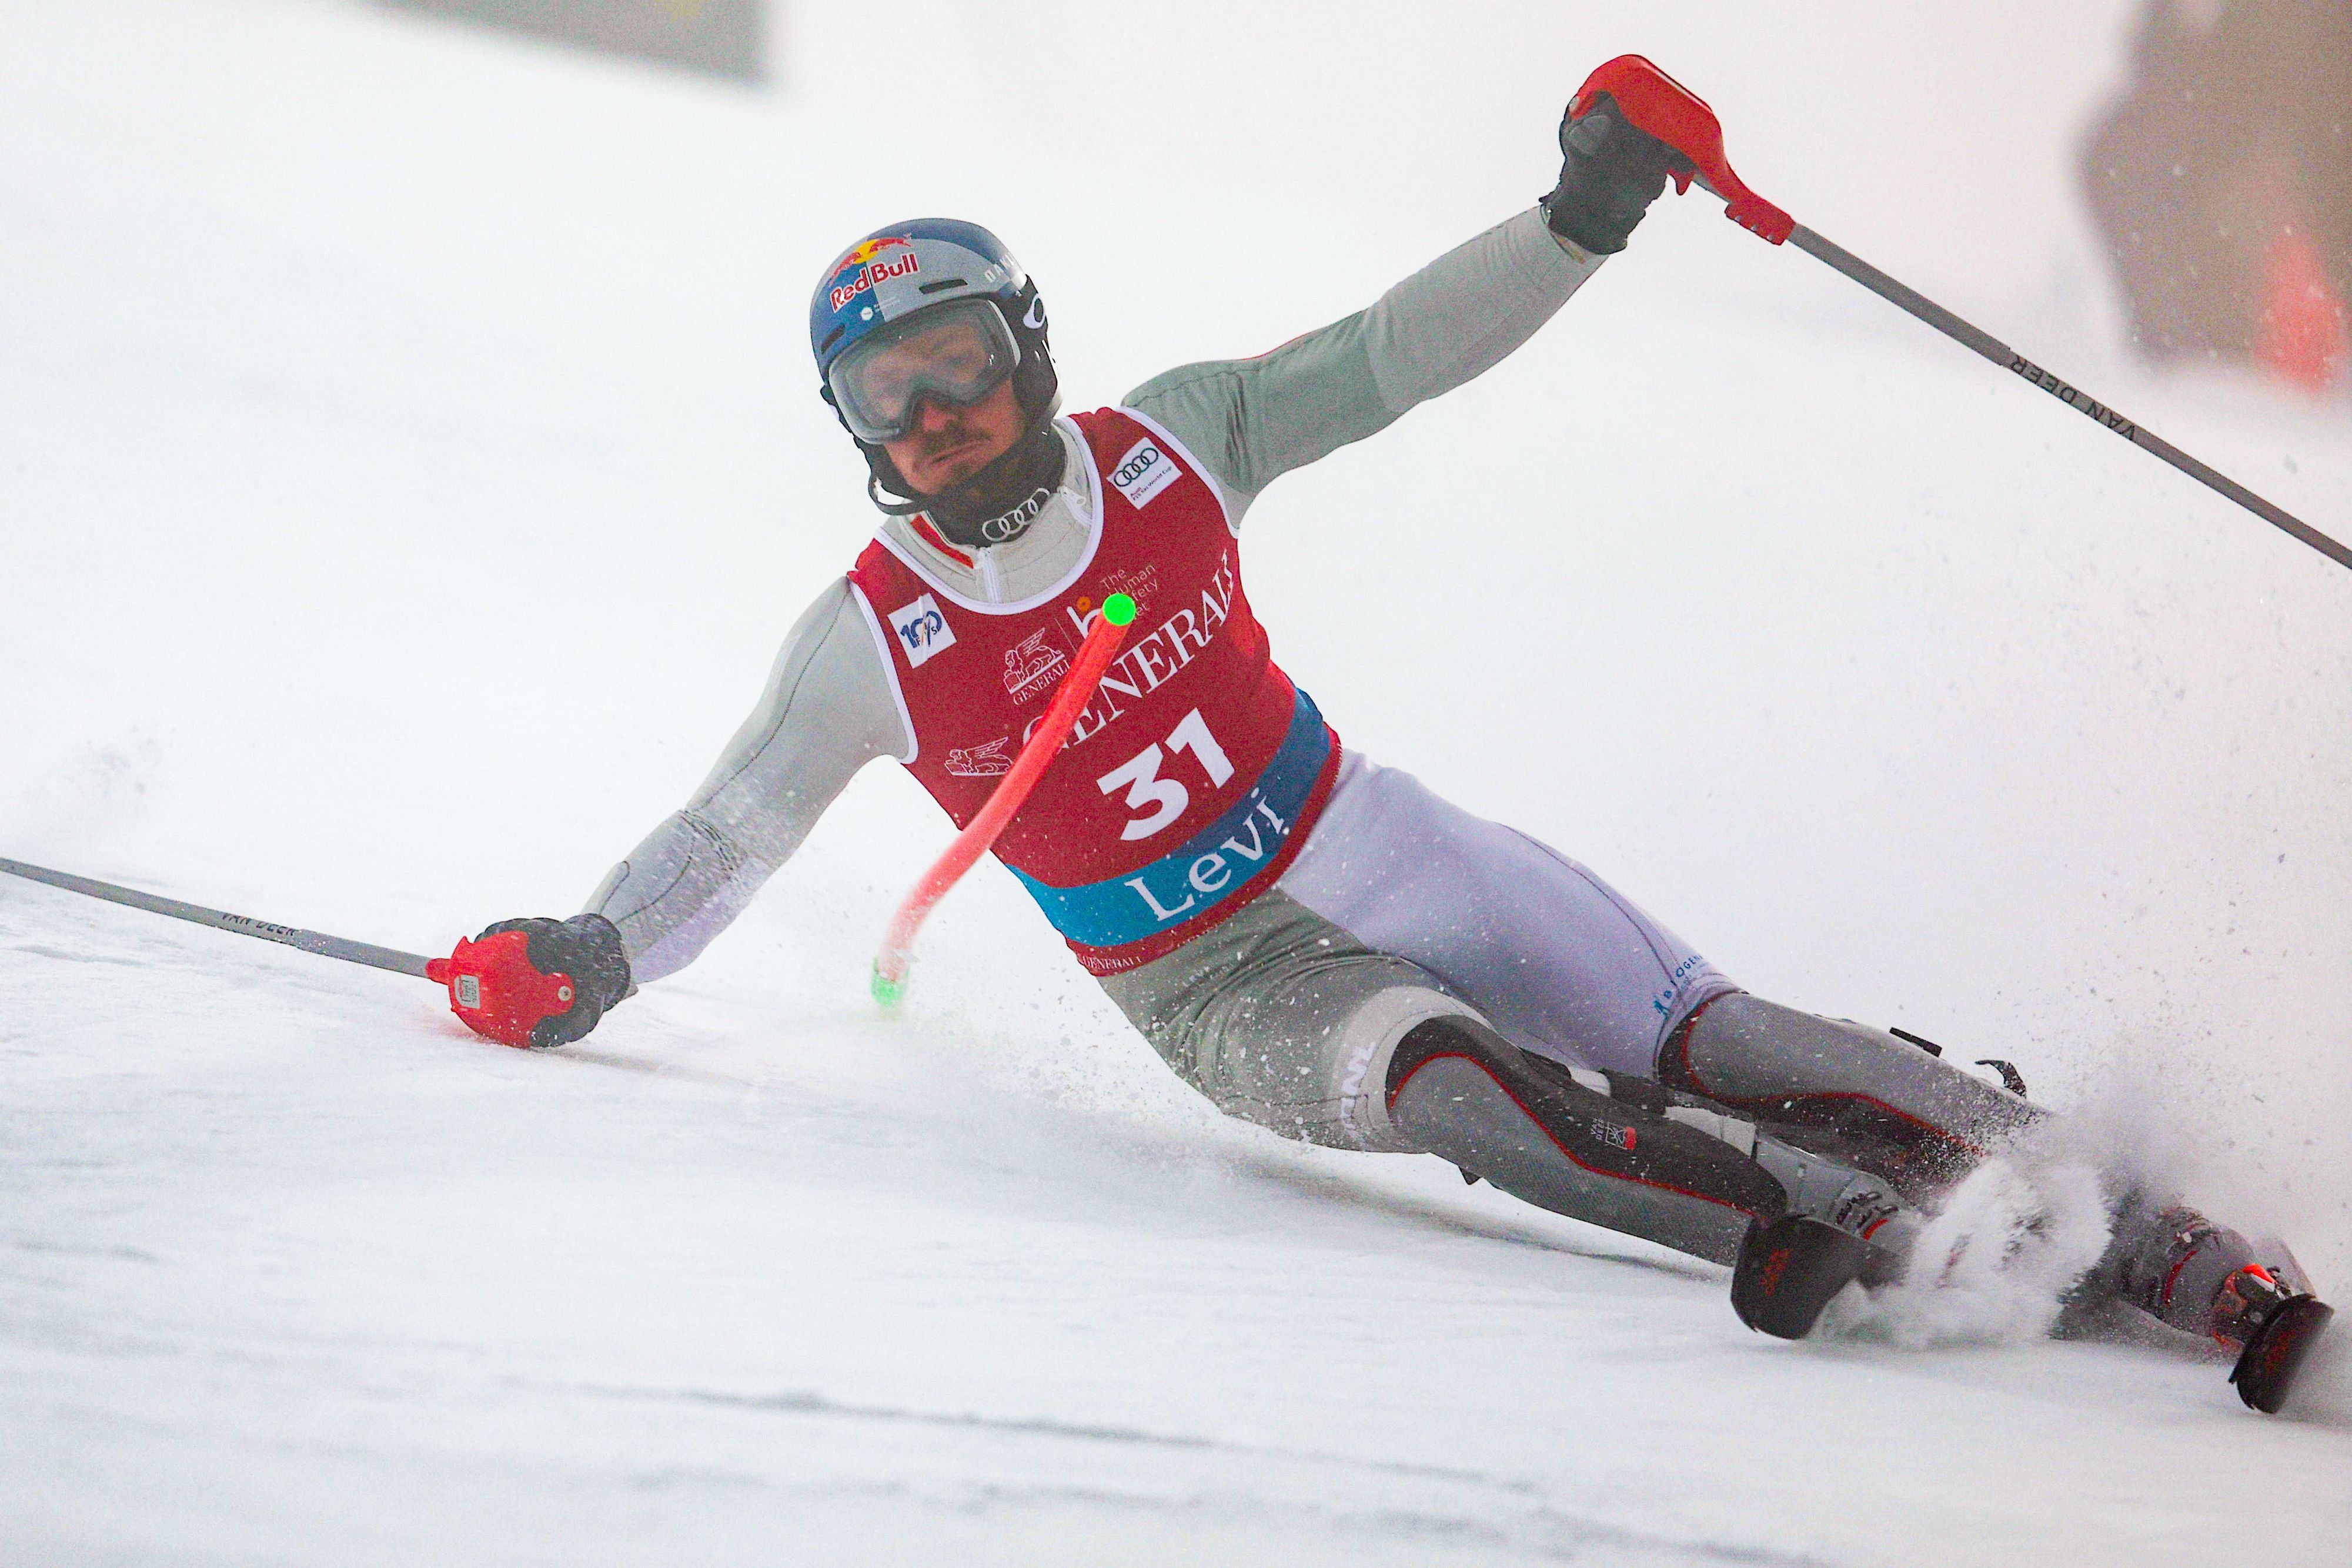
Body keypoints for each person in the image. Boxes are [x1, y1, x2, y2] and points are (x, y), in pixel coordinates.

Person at [442, 90, 2329, 1393]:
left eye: (956, 362)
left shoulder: (1171, 441)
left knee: (1713, 1035)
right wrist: (594, 956)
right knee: (1459, 1087)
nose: (933, 417)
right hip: (1205, 978)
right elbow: (725, 832)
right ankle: (1817, 1227)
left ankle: (2172, 1248)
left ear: (1025, 347)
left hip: (1361, 832)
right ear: (851, 426)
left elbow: (1386, 356)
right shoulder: (871, 637)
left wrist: (1582, 212)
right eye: (885, 394)